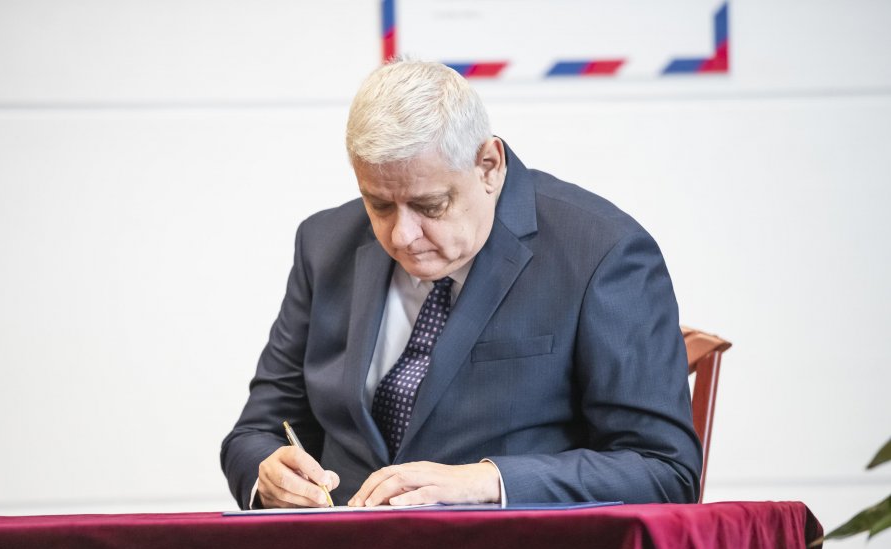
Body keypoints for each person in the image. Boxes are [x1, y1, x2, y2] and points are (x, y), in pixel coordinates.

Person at [220, 60, 701, 510]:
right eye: (379, 205)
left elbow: (663, 470)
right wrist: (269, 475)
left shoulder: (601, 251)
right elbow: (256, 433)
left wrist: (488, 482)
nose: (401, 236)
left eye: (429, 206)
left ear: (488, 166)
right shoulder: (324, 244)